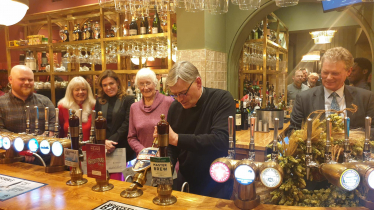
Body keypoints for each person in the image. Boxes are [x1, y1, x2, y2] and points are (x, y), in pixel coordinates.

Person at [160, 61, 235, 199]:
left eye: (183, 93)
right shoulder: (175, 107)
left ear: (198, 82)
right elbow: (172, 148)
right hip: (186, 179)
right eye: (175, 94)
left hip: (216, 180)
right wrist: (165, 174)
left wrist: (177, 138)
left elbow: (221, 140)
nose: (180, 99)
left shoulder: (221, 99)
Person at [289, 47, 374, 134]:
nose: (329, 78)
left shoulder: (366, 98)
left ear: (349, 71)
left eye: (335, 73)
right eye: (325, 72)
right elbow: (292, 132)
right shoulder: (303, 98)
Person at [0, 65, 56, 164]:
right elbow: (1, 132)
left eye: (30, 80)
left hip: (43, 159)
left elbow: (53, 128)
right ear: (10, 79)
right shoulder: (1, 103)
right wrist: (20, 148)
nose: (27, 83)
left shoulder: (45, 101)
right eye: (22, 79)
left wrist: (34, 148)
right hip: (11, 159)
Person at [127, 68, 173, 154]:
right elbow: (131, 138)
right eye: (141, 84)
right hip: (143, 159)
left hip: (165, 157)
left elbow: (175, 134)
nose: (145, 87)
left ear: (155, 83)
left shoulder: (169, 102)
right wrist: (145, 152)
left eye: (148, 83)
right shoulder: (134, 107)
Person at [95, 70, 136, 167]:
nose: (108, 87)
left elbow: (127, 124)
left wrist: (111, 142)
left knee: (121, 181)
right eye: (104, 85)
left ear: (117, 82)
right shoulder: (99, 101)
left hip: (123, 147)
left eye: (111, 83)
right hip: (104, 146)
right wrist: (104, 141)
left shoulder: (128, 99)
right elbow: (97, 124)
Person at [58, 76, 96, 141]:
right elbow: (60, 130)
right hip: (69, 148)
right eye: (77, 89)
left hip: (90, 148)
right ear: (71, 92)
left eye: (83, 89)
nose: (81, 92)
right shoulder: (62, 107)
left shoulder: (93, 106)